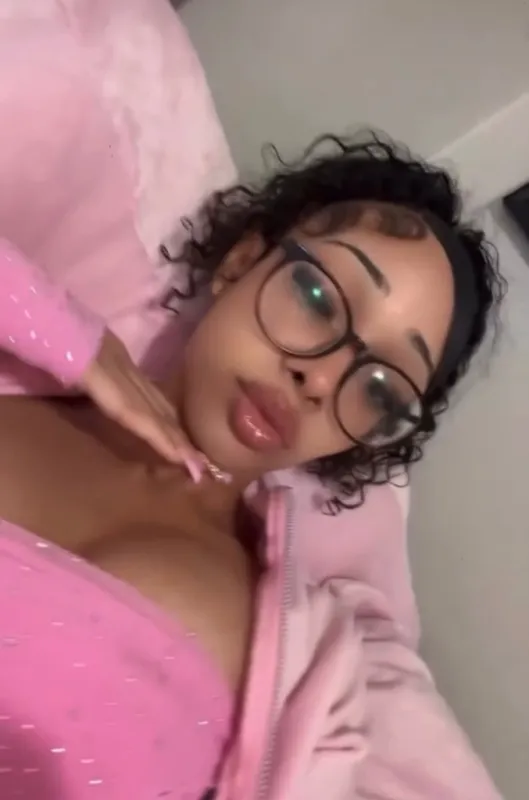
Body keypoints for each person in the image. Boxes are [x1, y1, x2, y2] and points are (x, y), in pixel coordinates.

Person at [0, 135, 505, 800]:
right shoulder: (24, 377)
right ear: (241, 262)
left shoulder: (313, 668)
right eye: (318, 298)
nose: (320, 378)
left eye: (380, 388)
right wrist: (68, 337)